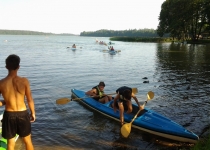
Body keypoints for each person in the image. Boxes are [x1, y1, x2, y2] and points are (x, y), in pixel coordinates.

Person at [0, 54, 35, 150]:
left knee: (10, 144)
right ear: (18, 67)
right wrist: (33, 113)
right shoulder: (24, 81)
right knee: (27, 141)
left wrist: (5, 101)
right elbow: (29, 99)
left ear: (6, 67)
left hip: (9, 115)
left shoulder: (1, 83)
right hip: (23, 114)